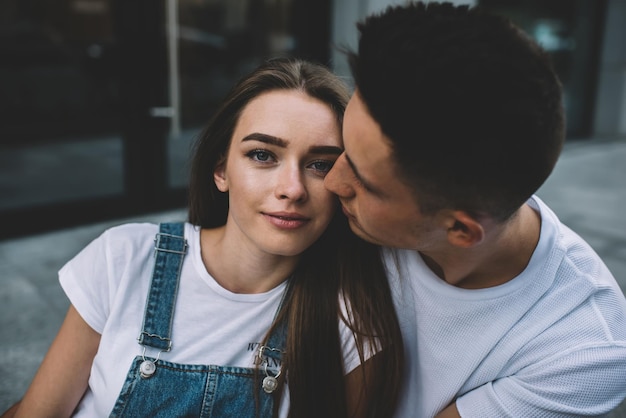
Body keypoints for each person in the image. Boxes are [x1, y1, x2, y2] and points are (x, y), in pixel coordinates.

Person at [3, 57, 403, 418]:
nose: (292, 189)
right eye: (263, 155)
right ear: (221, 171)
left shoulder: (350, 319)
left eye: (319, 164)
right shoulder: (126, 258)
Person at [324, 2, 626, 417]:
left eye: (363, 179)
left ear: (461, 231)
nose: (331, 182)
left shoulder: (581, 349)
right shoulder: (337, 212)